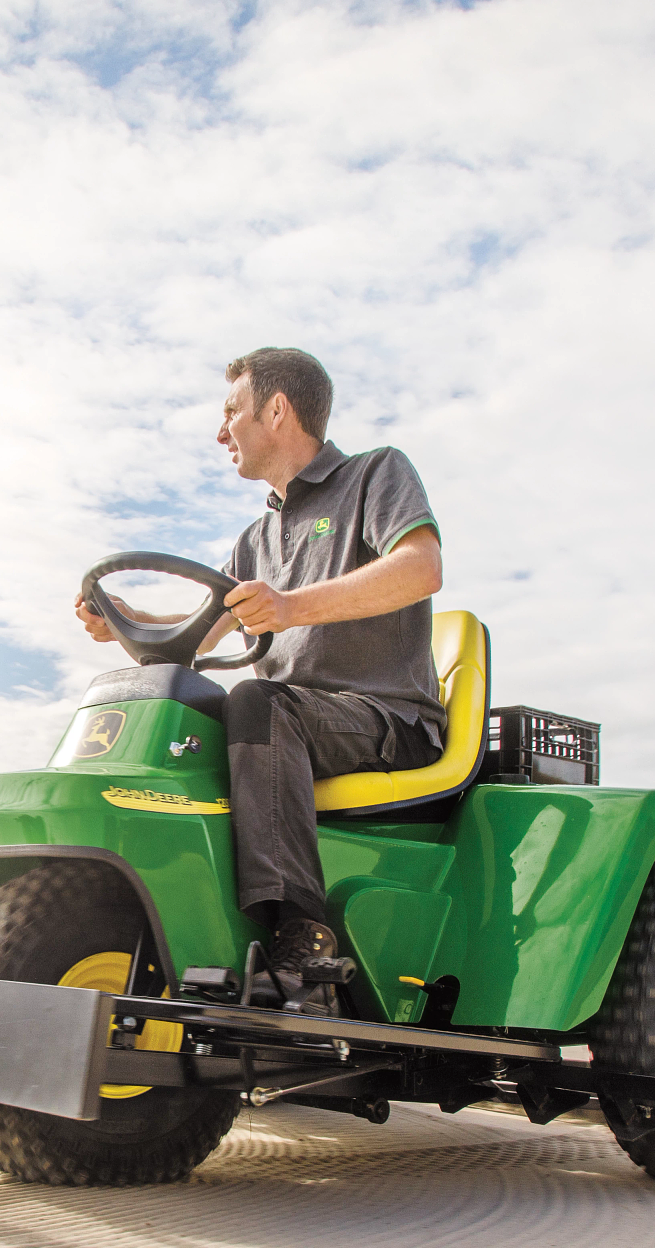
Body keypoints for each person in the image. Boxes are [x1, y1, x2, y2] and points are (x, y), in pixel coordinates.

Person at [76, 347, 444, 1006]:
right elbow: (193, 638)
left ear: (276, 410)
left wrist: (290, 606)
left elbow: (421, 568)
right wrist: (125, 618)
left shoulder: (374, 475)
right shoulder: (255, 537)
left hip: (387, 718)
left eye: (231, 413)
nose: (222, 433)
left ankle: (304, 936)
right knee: (192, 717)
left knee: (256, 701)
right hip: (287, 720)